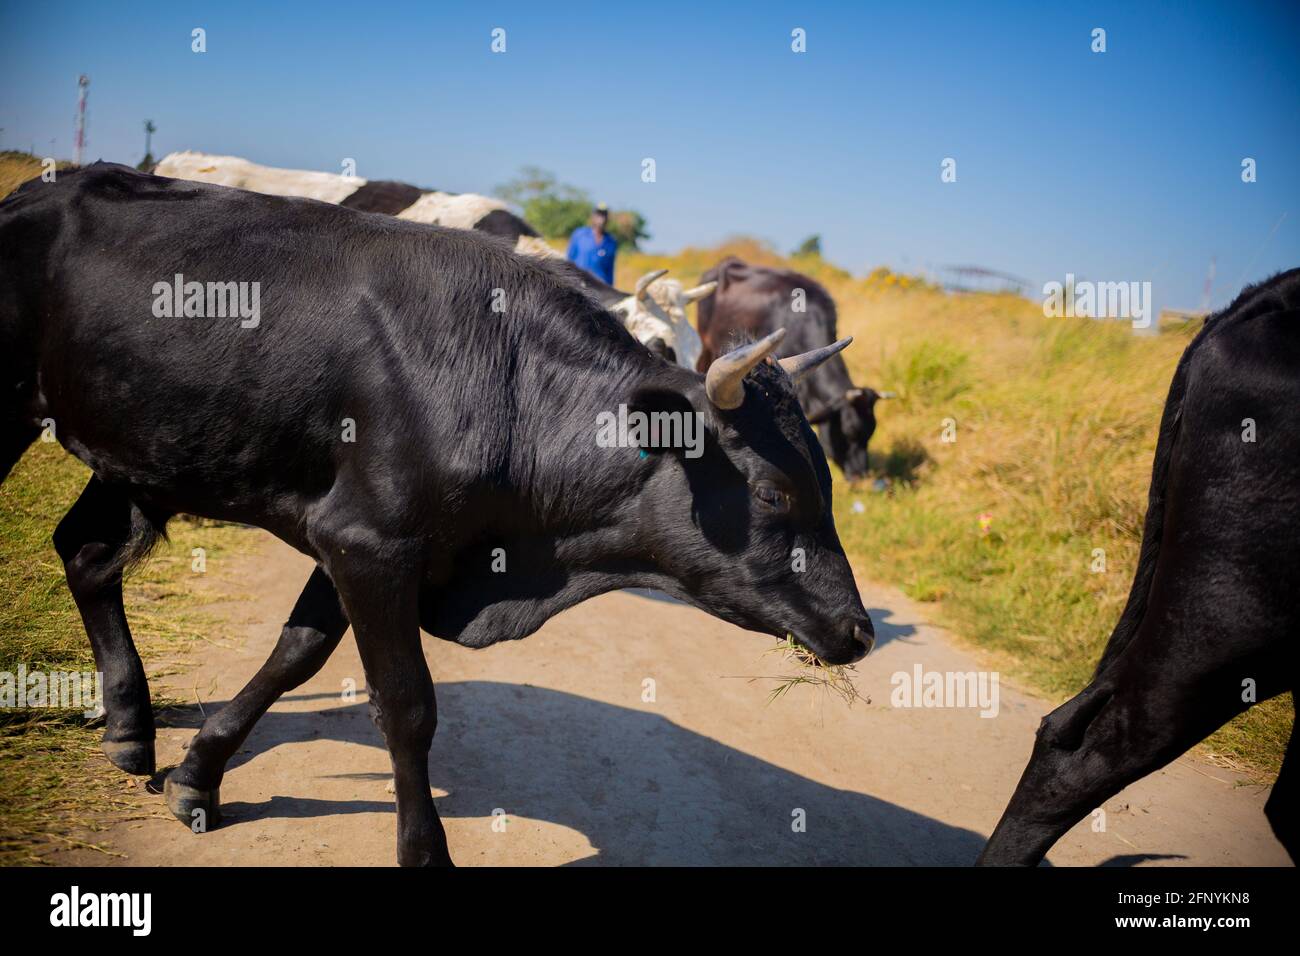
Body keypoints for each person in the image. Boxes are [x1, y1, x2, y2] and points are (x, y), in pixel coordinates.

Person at [566, 203, 618, 285]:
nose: (601, 218)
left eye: (604, 215)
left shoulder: (611, 241)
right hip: (579, 284)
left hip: (600, 288)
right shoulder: (579, 234)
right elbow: (569, 260)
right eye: (599, 214)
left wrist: (610, 289)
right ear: (593, 216)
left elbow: (610, 270)